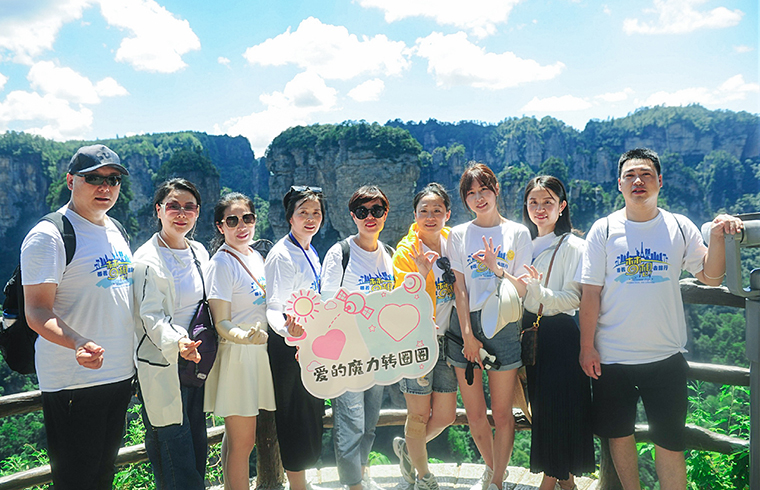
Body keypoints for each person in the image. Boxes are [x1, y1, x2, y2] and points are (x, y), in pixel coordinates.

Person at [579, 148, 743, 490]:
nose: (638, 181)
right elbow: (590, 293)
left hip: (666, 356)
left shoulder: (678, 226)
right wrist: (587, 347)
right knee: (619, 435)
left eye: (646, 174)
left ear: (660, 181)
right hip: (612, 357)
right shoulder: (603, 229)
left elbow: (711, 277)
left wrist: (717, 237)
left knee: (670, 441)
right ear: (619, 184)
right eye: (630, 175)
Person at [21, 144, 134, 490]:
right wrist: (77, 341)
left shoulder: (116, 229)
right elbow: (36, 311)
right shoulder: (49, 235)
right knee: (76, 480)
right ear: (71, 181)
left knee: (103, 476)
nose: (105, 187)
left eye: (113, 179)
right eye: (94, 178)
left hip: (118, 374)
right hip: (73, 380)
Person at [447, 163, 532, 490]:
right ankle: (495, 470)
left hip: (505, 325)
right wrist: (468, 336)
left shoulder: (518, 233)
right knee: (475, 413)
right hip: (465, 326)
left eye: (484, 190)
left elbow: (522, 289)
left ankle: (496, 482)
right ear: (465, 199)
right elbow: (459, 288)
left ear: (496, 190)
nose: (479, 198)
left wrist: (497, 268)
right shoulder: (459, 234)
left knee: (503, 413)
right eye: (471, 193)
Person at [132, 178, 209, 489]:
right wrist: (178, 341)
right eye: (173, 206)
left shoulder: (199, 252)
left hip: (196, 362)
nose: (181, 213)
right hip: (164, 364)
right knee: (173, 454)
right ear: (159, 210)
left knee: (197, 446)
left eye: (189, 207)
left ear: (197, 212)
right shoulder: (146, 259)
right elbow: (150, 316)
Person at [518, 176, 593, 490]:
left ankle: (550, 483)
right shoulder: (523, 244)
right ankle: (567, 483)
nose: (540, 209)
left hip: (559, 335)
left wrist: (541, 292)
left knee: (554, 409)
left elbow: (574, 299)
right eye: (533, 202)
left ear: (562, 206)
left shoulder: (574, 246)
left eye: (547, 202)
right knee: (543, 408)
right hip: (532, 334)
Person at [321, 185, 395, 490]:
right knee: (351, 421)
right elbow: (326, 303)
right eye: (362, 211)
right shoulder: (340, 253)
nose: (370, 217)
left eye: (376, 210)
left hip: (378, 351)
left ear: (385, 214)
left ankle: (362, 475)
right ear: (353, 216)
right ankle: (353, 484)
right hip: (347, 352)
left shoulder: (389, 254)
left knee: (370, 420)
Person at [204, 192, 275, 490]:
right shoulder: (222, 263)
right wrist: (244, 337)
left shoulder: (255, 256)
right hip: (238, 356)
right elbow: (221, 321)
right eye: (232, 221)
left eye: (247, 218)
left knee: (239, 439)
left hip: (257, 352)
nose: (241, 226)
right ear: (220, 226)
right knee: (243, 442)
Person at [391, 183, 458, 490]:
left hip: (448, 340)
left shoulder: (453, 242)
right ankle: (424, 476)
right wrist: (421, 271)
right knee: (418, 416)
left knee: (445, 416)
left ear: (447, 214)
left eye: (437, 210)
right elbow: (403, 301)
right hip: (417, 341)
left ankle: (409, 449)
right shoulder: (406, 252)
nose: (430, 217)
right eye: (424, 211)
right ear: (415, 215)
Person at [265, 186, 327, 490]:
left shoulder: (310, 249)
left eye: (316, 213)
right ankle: (297, 484)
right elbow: (273, 306)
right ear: (290, 217)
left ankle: (302, 480)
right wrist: (286, 331)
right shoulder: (282, 255)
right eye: (303, 213)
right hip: (288, 346)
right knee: (293, 414)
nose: (310, 218)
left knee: (311, 410)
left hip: (309, 342)